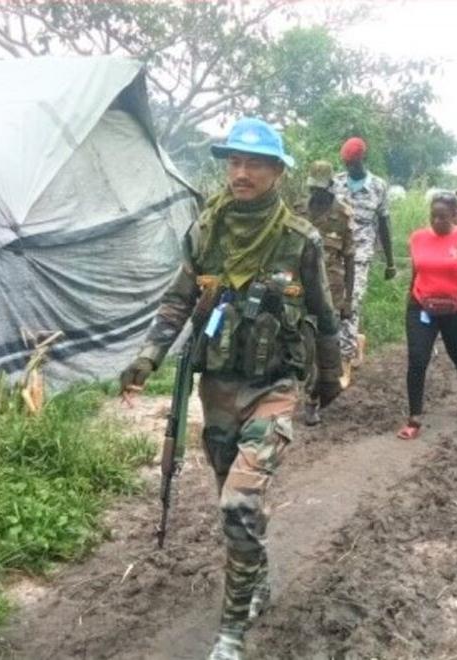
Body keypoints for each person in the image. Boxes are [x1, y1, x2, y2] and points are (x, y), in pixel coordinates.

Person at [118, 117, 343, 660]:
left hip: (275, 387)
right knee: (233, 502)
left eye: (255, 164)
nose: (241, 173)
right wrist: (148, 357)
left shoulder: (299, 240)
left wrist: (329, 375)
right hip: (218, 388)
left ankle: (231, 632)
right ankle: (256, 576)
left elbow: (323, 312)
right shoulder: (206, 231)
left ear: (277, 172)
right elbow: (177, 301)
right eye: (235, 162)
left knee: (238, 502)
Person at [397, 192, 457, 440]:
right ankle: (414, 418)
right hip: (421, 307)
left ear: (456, 215)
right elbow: (416, 273)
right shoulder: (418, 238)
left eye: (443, 217)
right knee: (417, 359)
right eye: (433, 216)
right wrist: (410, 299)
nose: (437, 221)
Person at [296, 161, 355, 425]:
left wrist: (349, 300)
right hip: (300, 290)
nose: (316, 194)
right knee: (306, 345)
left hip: (331, 292)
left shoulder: (342, 214)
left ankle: (320, 393)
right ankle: (309, 398)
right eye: (313, 189)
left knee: (327, 346)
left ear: (330, 186)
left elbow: (350, 259)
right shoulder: (298, 210)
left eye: (321, 189)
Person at [333, 137, 395, 383]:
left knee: (351, 303)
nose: (350, 168)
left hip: (360, 254)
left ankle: (344, 362)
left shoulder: (378, 186)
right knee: (333, 303)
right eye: (347, 164)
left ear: (363, 160)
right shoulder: (336, 182)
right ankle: (354, 340)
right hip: (335, 252)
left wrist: (390, 262)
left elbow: (384, 225)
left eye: (354, 164)